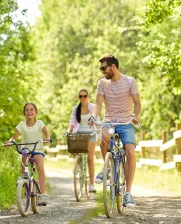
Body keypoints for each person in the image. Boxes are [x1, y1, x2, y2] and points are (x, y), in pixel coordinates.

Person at [89, 55, 141, 207]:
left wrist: (136, 116)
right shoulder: (102, 83)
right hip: (109, 121)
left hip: (126, 123)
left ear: (113, 67)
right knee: (103, 137)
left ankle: (128, 193)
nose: (102, 72)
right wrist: (94, 117)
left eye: (104, 68)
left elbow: (137, 103)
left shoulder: (130, 81)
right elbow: (98, 104)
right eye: (101, 69)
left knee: (130, 151)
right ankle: (108, 168)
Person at [5, 102, 50, 206]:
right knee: (24, 159)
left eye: (31, 110)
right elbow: (14, 137)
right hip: (26, 149)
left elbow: (46, 133)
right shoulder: (21, 125)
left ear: (36, 112)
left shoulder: (40, 123)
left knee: (40, 167)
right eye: (27, 110)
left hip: (37, 148)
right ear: (24, 113)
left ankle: (43, 194)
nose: (29, 112)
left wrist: (47, 138)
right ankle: (24, 181)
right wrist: (10, 141)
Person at [66, 89, 100, 193]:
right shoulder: (76, 109)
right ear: (78, 98)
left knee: (90, 158)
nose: (83, 98)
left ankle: (91, 184)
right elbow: (72, 121)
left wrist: (100, 131)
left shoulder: (93, 107)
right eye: (81, 96)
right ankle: (78, 165)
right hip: (80, 133)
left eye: (85, 96)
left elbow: (97, 121)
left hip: (91, 134)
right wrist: (68, 130)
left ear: (88, 97)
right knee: (77, 153)